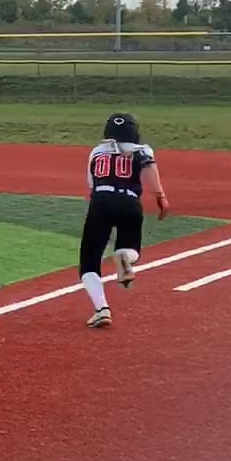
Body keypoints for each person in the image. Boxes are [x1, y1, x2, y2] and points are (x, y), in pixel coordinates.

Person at [79, 112, 169, 329]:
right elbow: (150, 167)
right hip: (130, 201)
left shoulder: (97, 151)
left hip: (101, 200)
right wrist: (161, 196)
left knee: (89, 261)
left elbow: (91, 185)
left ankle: (102, 309)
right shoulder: (142, 149)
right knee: (131, 248)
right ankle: (124, 258)